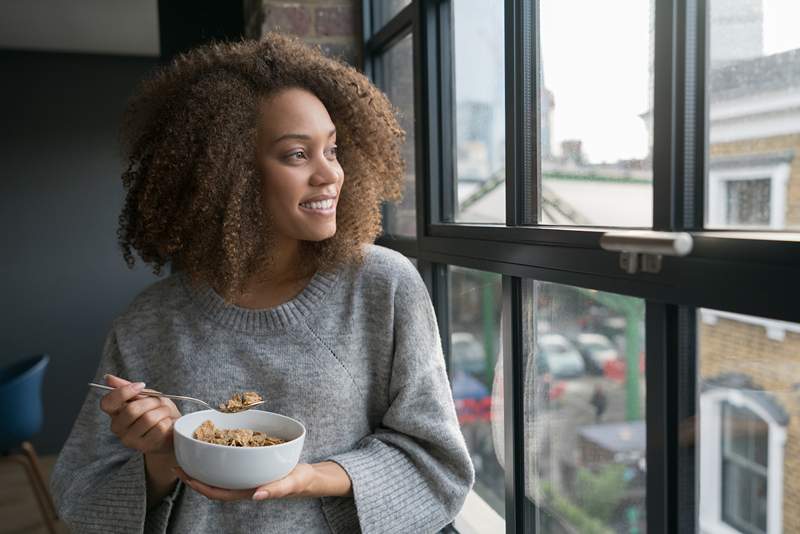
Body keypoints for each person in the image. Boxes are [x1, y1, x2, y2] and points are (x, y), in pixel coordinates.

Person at [49, 33, 474, 533]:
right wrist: (164, 457)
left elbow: (438, 462)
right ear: (232, 174)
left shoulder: (382, 286)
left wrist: (312, 477)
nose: (330, 175)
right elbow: (81, 498)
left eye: (332, 150)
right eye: (297, 154)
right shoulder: (149, 323)